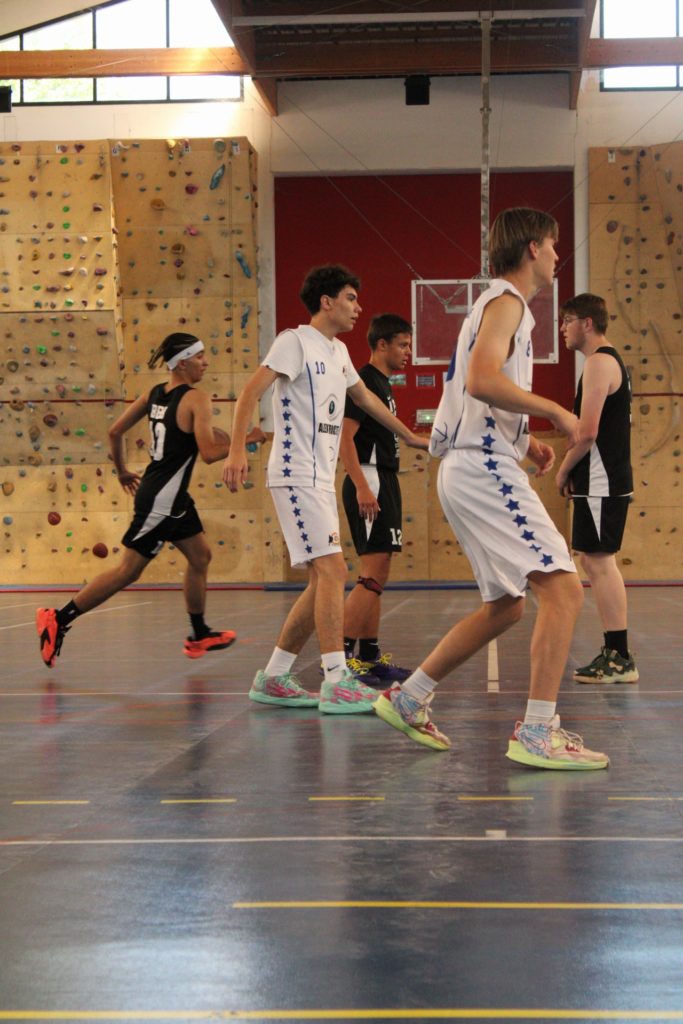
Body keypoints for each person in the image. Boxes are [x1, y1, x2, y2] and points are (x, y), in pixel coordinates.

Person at [374, 207, 609, 769]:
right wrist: (556, 411)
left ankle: (409, 697)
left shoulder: (496, 306)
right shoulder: (507, 302)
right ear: (532, 248)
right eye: (553, 244)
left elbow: (474, 390)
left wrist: (524, 441)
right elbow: (481, 380)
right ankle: (538, 732)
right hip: (480, 468)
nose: (557, 255)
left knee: (506, 607)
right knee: (564, 590)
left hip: (469, 465)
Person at [223, 264, 428, 715]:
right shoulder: (294, 341)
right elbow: (249, 394)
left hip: (320, 477)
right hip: (295, 472)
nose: (358, 307)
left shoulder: (338, 352)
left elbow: (366, 400)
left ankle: (275, 675)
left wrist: (410, 436)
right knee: (334, 570)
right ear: (326, 301)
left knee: (322, 579)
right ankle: (337, 679)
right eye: (351, 298)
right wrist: (237, 450)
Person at [36, 332, 264, 668]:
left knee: (200, 555)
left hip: (170, 496)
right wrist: (245, 440)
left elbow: (115, 431)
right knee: (128, 571)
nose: (205, 362)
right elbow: (208, 452)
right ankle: (58, 618)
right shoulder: (197, 399)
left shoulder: (154, 393)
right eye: (199, 356)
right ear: (182, 362)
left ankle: (199, 633)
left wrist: (122, 471)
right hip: (162, 500)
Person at [555, 293, 638, 684]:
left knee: (601, 562)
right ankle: (616, 652)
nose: (563, 329)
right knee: (593, 560)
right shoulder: (604, 362)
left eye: (567, 320)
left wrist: (563, 470)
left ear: (587, 323)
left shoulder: (599, 363)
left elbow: (587, 433)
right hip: (601, 478)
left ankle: (619, 657)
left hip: (602, 479)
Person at [340, 313, 413, 685]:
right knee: (371, 572)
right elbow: (345, 438)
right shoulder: (364, 381)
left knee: (378, 571)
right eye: (402, 344)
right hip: (369, 477)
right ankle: (338, 659)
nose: (408, 352)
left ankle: (367, 657)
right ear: (381, 344)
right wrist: (362, 486)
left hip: (383, 477)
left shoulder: (382, 384)